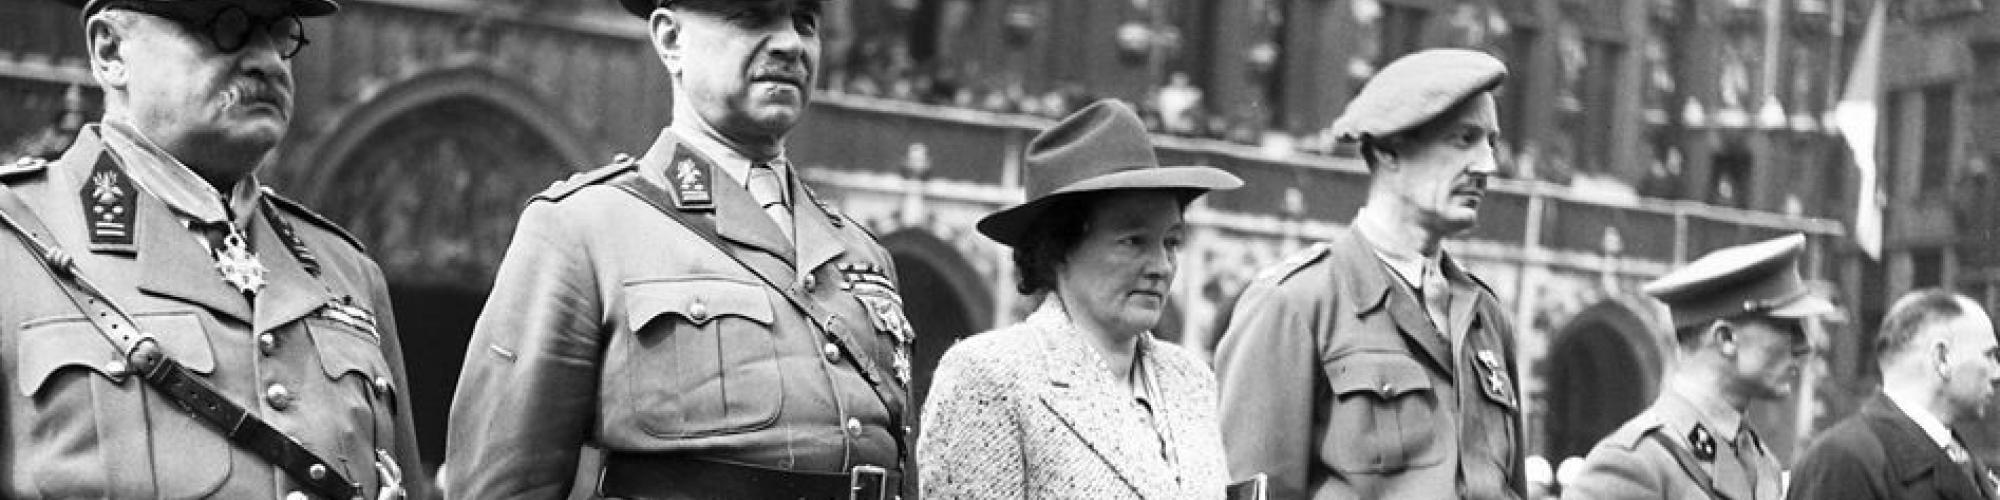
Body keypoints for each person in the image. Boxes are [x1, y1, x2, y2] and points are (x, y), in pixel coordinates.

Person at [443, 0, 919, 497]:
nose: (790, 44)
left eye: (805, 22)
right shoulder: (586, 228)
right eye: (752, 17)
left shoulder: (860, 252)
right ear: (671, 39)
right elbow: (502, 486)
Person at [0, 0, 425, 498]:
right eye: (227, 26)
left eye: (280, 32)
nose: (266, 60)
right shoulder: (16, 238)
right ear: (110, 51)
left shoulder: (346, 271)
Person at [1213, 48, 1524, 499]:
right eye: (1464, 139)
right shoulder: (1296, 304)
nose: (1487, 165)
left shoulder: (1486, 317)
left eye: (1491, 143)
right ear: (1390, 148)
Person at [918, 99, 1242, 499]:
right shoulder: (989, 376)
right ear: (1060, 248)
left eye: (1171, 242)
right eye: (1133, 241)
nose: (1161, 265)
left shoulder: (1192, 381)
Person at [1561, 234, 1835, 500]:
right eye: (1786, 327)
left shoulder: (1763, 465)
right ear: (1726, 339)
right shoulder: (1633, 465)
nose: (1804, 346)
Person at [1786, 289, 2000, 499]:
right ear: (1942, 359)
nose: (1997, 373)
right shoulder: (1842, 460)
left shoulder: (1955, 457)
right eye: (1990, 355)